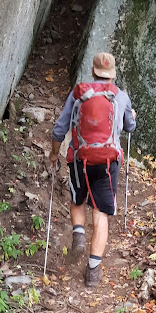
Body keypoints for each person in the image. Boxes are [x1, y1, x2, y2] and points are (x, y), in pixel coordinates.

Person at [49, 52, 136, 287]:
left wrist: (54, 153)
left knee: (78, 200)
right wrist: (131, 116)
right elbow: (130, 127)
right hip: (108, 163)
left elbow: (60, 129)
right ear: (112, 74)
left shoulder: (79, 94)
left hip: (80, 159)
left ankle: (78, 234)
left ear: (93, 71)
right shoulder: (121, 96)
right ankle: (93, 271)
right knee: (100, 214)